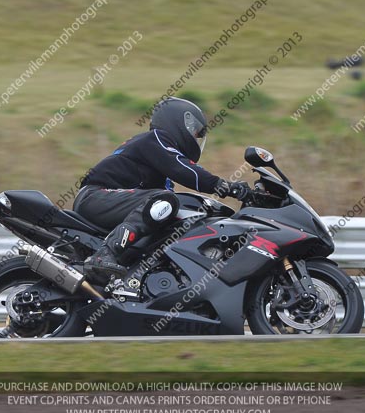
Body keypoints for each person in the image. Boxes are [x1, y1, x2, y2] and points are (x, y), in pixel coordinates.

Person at [73, 97, 250, 285]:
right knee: (166, 201)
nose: (195, 138)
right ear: (178, 121)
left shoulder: (160, 170)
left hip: (108, 202)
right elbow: (184, 170)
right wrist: (227, 187)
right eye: (194, 132)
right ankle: (104, 255)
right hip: (96, 196)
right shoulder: (155, 139)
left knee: (168, 211)